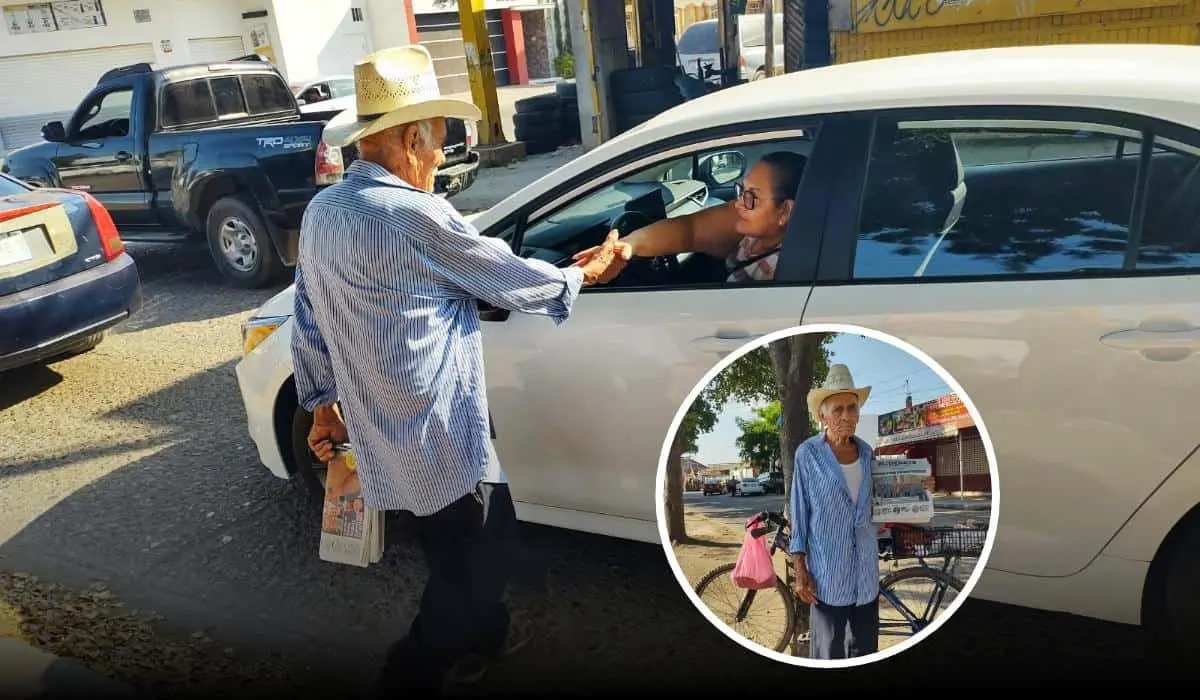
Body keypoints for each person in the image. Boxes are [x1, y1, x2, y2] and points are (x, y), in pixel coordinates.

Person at [289, 44, 631, 696]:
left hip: (382, 429)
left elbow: (309, 317)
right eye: (440, 138)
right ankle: (407, 675)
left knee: (456, 547)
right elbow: (503, 275)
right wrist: (583, 273)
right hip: (443, 434)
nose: (442, 153)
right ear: (411, 136)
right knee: (478, 560)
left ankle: (487, 638)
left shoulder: (323, 213)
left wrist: (324, 404)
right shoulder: (415, 214)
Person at [788, 364, 936, 660]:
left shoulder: (869, 453)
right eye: (838, 409)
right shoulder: (808, 454)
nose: (846, 415)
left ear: (858, 412)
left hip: (866, 577)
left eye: (852, 408)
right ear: (823, 415)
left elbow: (882, 495)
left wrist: (918, 485)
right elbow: (800, 515)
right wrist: (800, 569)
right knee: (828, 654)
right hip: (828, 578)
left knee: (865, 652)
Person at [572, 150, 806, 283]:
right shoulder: (754, 229)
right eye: (741, 190)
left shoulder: (788, 271)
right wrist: (629, 245)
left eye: (751, 197)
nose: (738, 204)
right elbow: (690, 230)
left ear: (785, 211)